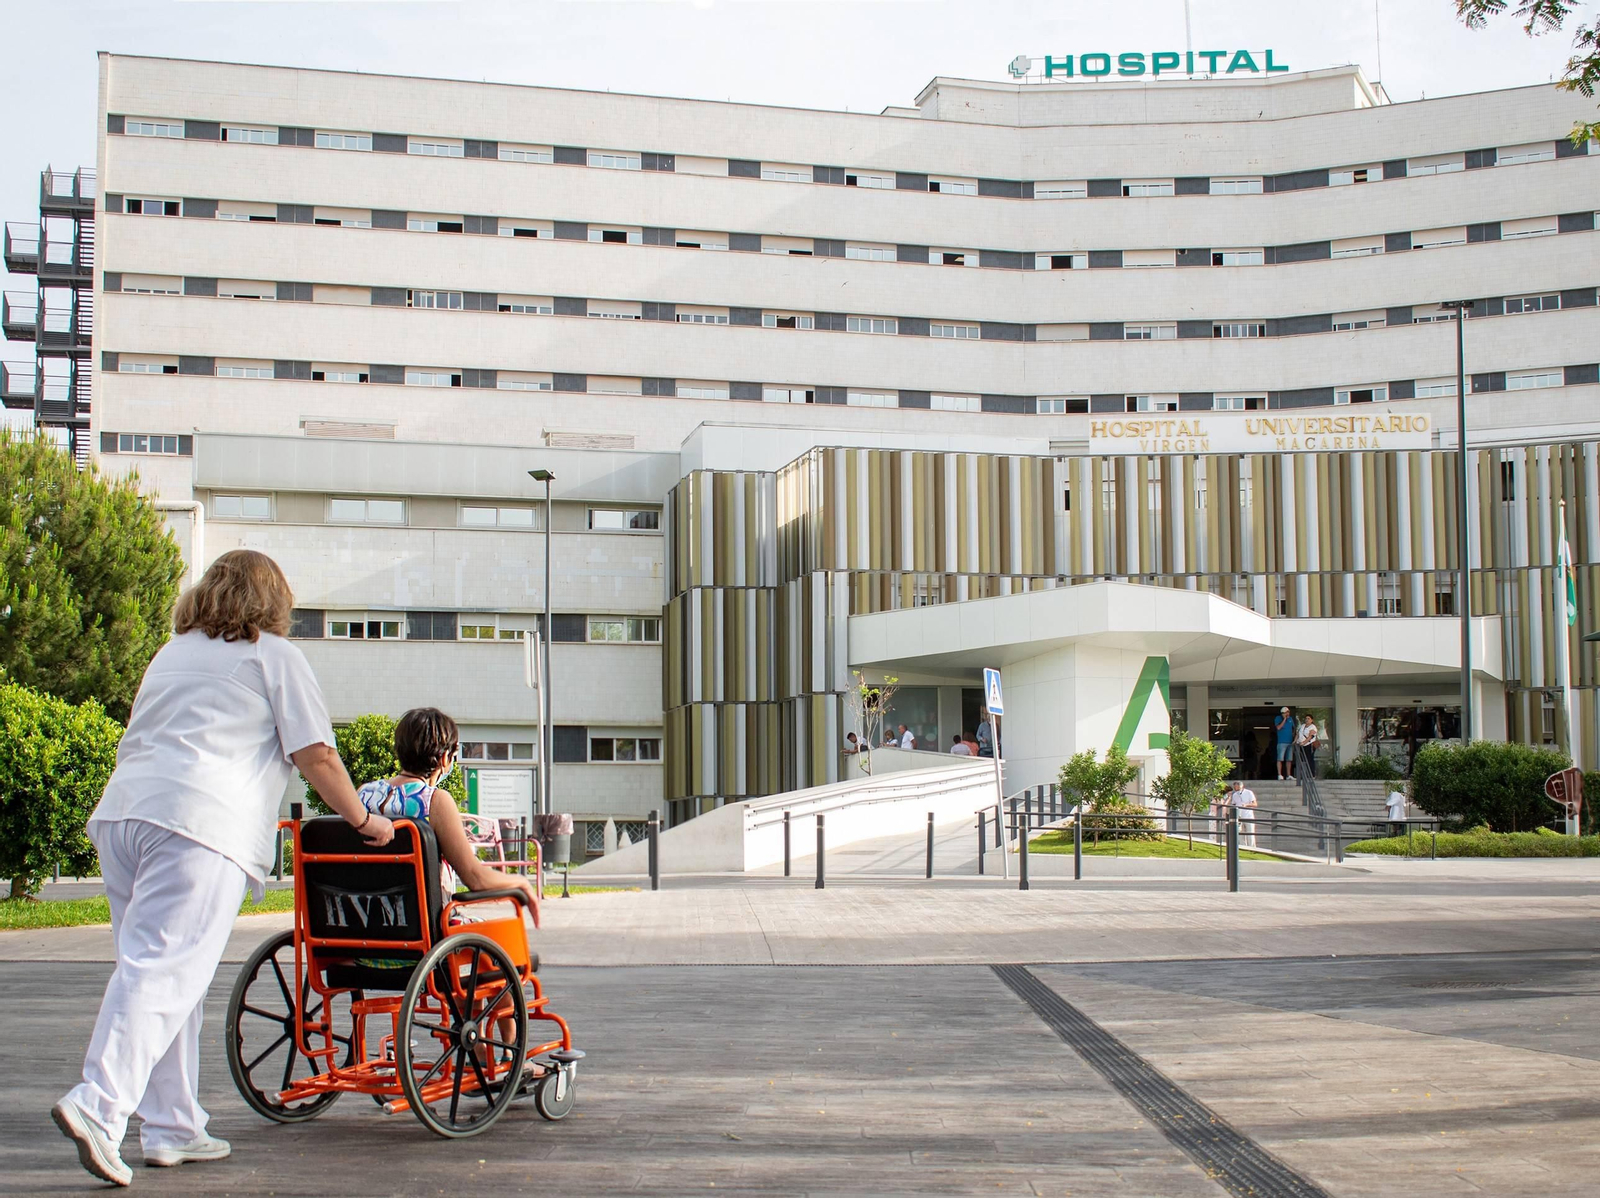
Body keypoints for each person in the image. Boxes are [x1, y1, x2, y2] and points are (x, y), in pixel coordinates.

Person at [54, 550, 395, 1188]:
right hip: (198, 826)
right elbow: (317, 755)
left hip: (125, 815)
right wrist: (363, 821)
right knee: (164, 971)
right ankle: (99, 1106)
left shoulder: (171, 653)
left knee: (160, 972)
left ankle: (173, 1127)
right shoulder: (274, 656)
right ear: (273, 600)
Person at [1230, 779, 1258, 848]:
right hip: (1239, 816)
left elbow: (1255, 804)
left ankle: (1251, 847)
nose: (1236, 789)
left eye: (1237, 787)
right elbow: (1233, 804)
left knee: (1250, 832)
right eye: (1235, 788)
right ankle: (1243, 847)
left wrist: (1246, 805)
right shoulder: (1235, 795)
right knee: (1240, 833)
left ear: (1241, 786)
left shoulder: (1249, 793)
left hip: (1248, 815)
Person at [1273, 706, 1295, 779]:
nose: (1287, 714)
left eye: (1288, 712)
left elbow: (1293, 729)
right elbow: (1278, 727)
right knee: (1280, 759)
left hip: (1290, 742)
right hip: (1281, 742)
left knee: (1289, 759)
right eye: (1285, 713)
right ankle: (1280, 774)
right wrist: (1284, 719)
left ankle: (1288, 775)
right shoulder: (1278, 718)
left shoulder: (1291, 719)